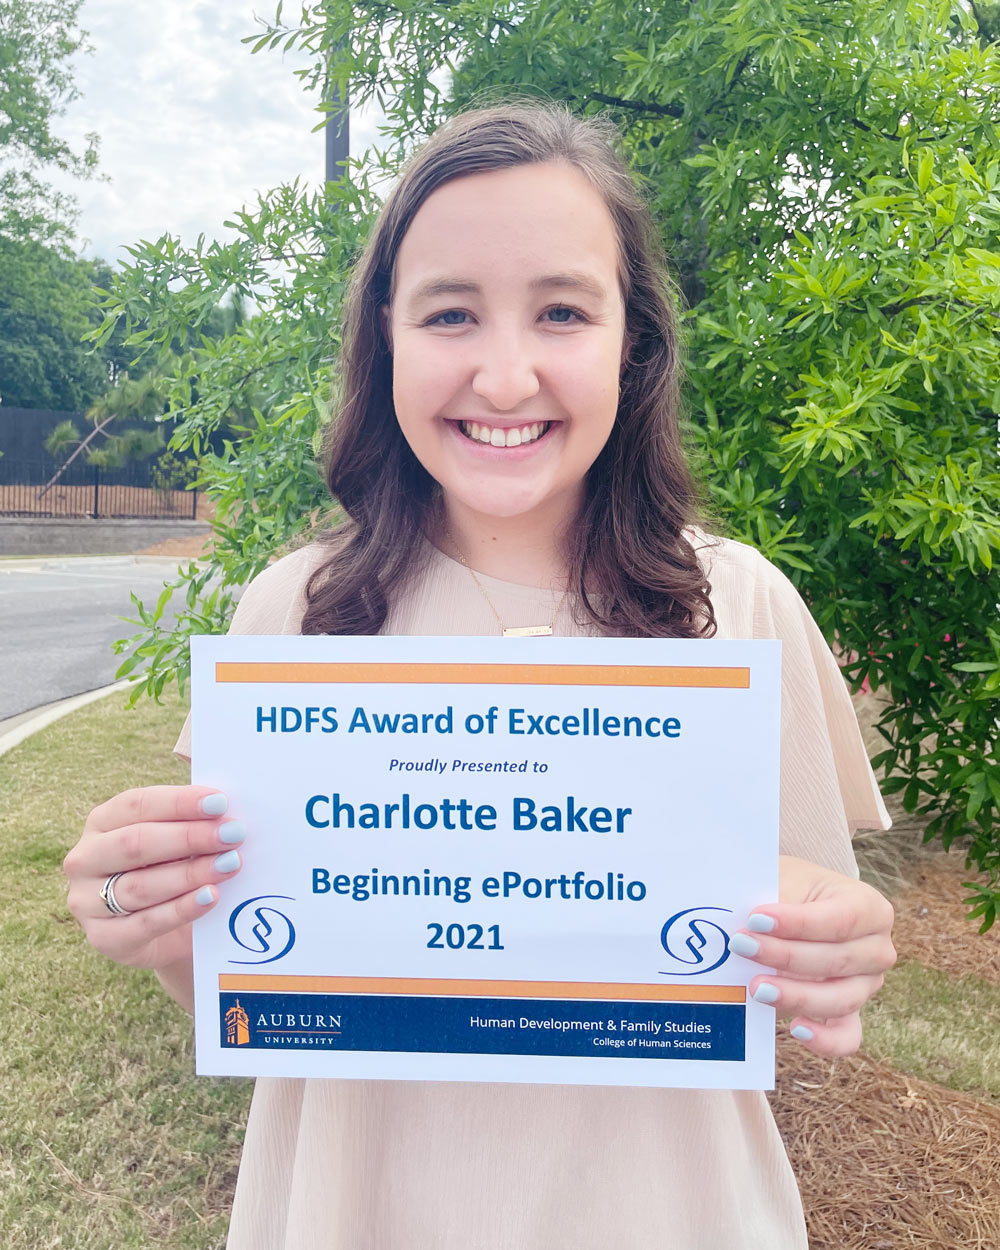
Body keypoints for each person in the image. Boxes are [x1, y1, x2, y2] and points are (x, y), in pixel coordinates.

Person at [64, 100, 896, 1249]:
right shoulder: (293, 611)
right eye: (450, 312)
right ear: (387, 338)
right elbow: (237, 974)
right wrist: (153, 915)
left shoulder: (739, 603)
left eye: (561, 310)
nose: (505, 378)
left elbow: (810, 914)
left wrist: (839, 948)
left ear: (633, 343)